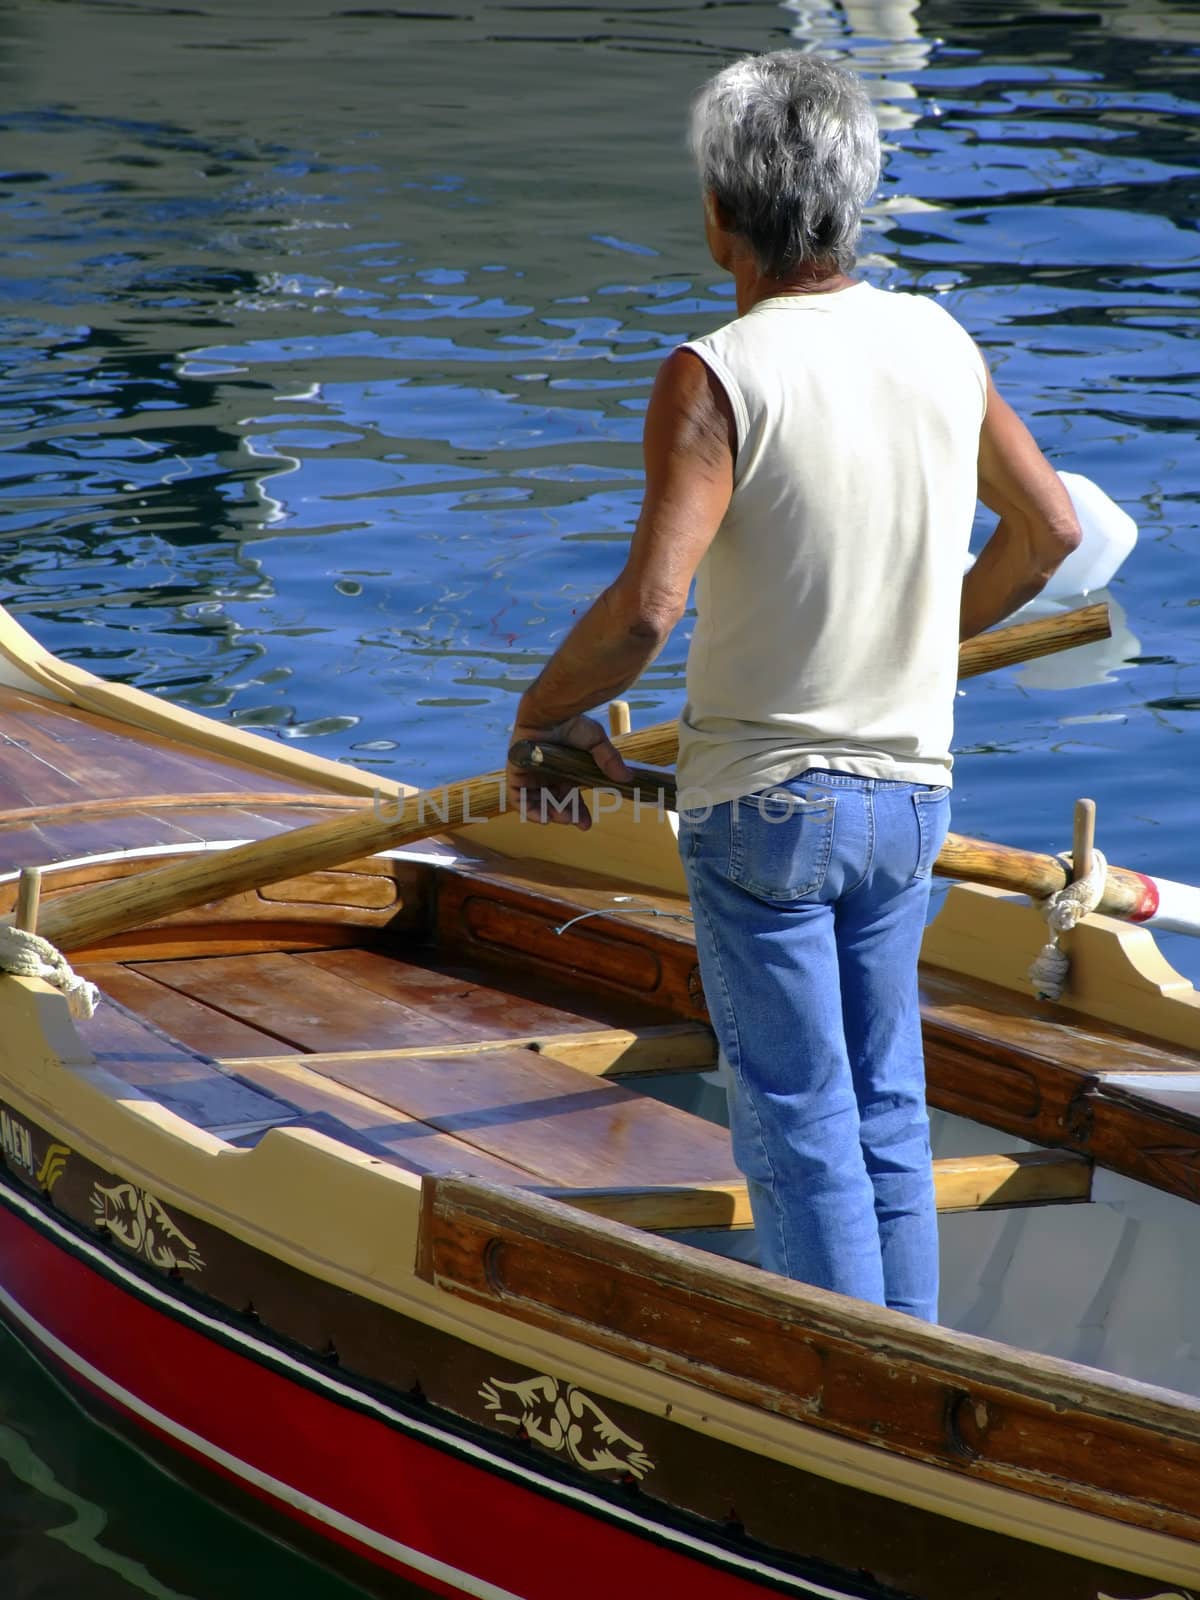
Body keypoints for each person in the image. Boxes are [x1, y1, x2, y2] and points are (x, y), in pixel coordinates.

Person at [506, 50, 1080, 1323]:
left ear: (722, 215)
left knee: (799, 1110)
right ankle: (912, 1359)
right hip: (908, 803)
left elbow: (649, 609)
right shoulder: (938, 339)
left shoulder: (715, 371)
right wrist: (923, 646)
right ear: (855, 195)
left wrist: (540, 715)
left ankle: (844, 1392)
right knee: (886, 1098)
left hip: (765, 806)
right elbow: (1047, 536)